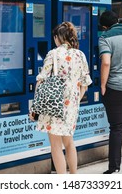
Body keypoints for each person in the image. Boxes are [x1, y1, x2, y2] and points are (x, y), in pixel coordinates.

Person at [29, 21, 92, 174]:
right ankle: (73, 176)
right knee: (69, 142)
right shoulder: (80, 55)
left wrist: (34, 107)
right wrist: (74, 101)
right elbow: (85, 84)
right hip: (71, 107)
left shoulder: (53, 54)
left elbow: (41, 80)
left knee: (55, 145)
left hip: (53, 106)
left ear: (58, 37)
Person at [98, 10, 122, 174]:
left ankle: (114, 168)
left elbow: (105, 63)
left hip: (116, 87)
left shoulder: (105, 37)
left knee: (117, 128)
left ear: (104, 26)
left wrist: (103, 85)